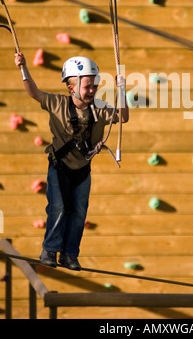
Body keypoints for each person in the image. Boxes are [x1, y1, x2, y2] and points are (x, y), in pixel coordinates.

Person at [15, 53, 129, 270]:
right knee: (58, 207)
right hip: (60, 167)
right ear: (71, 88)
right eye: (87, 87)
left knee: (78, 211)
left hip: (82, 170)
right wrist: (23, 68)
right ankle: (50, 249)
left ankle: (69, 254)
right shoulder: (57, 104)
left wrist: (122, 91)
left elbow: (123, 117)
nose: (92, 90)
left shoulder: (100, 110)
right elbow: (34, 93)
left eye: (95, 86)